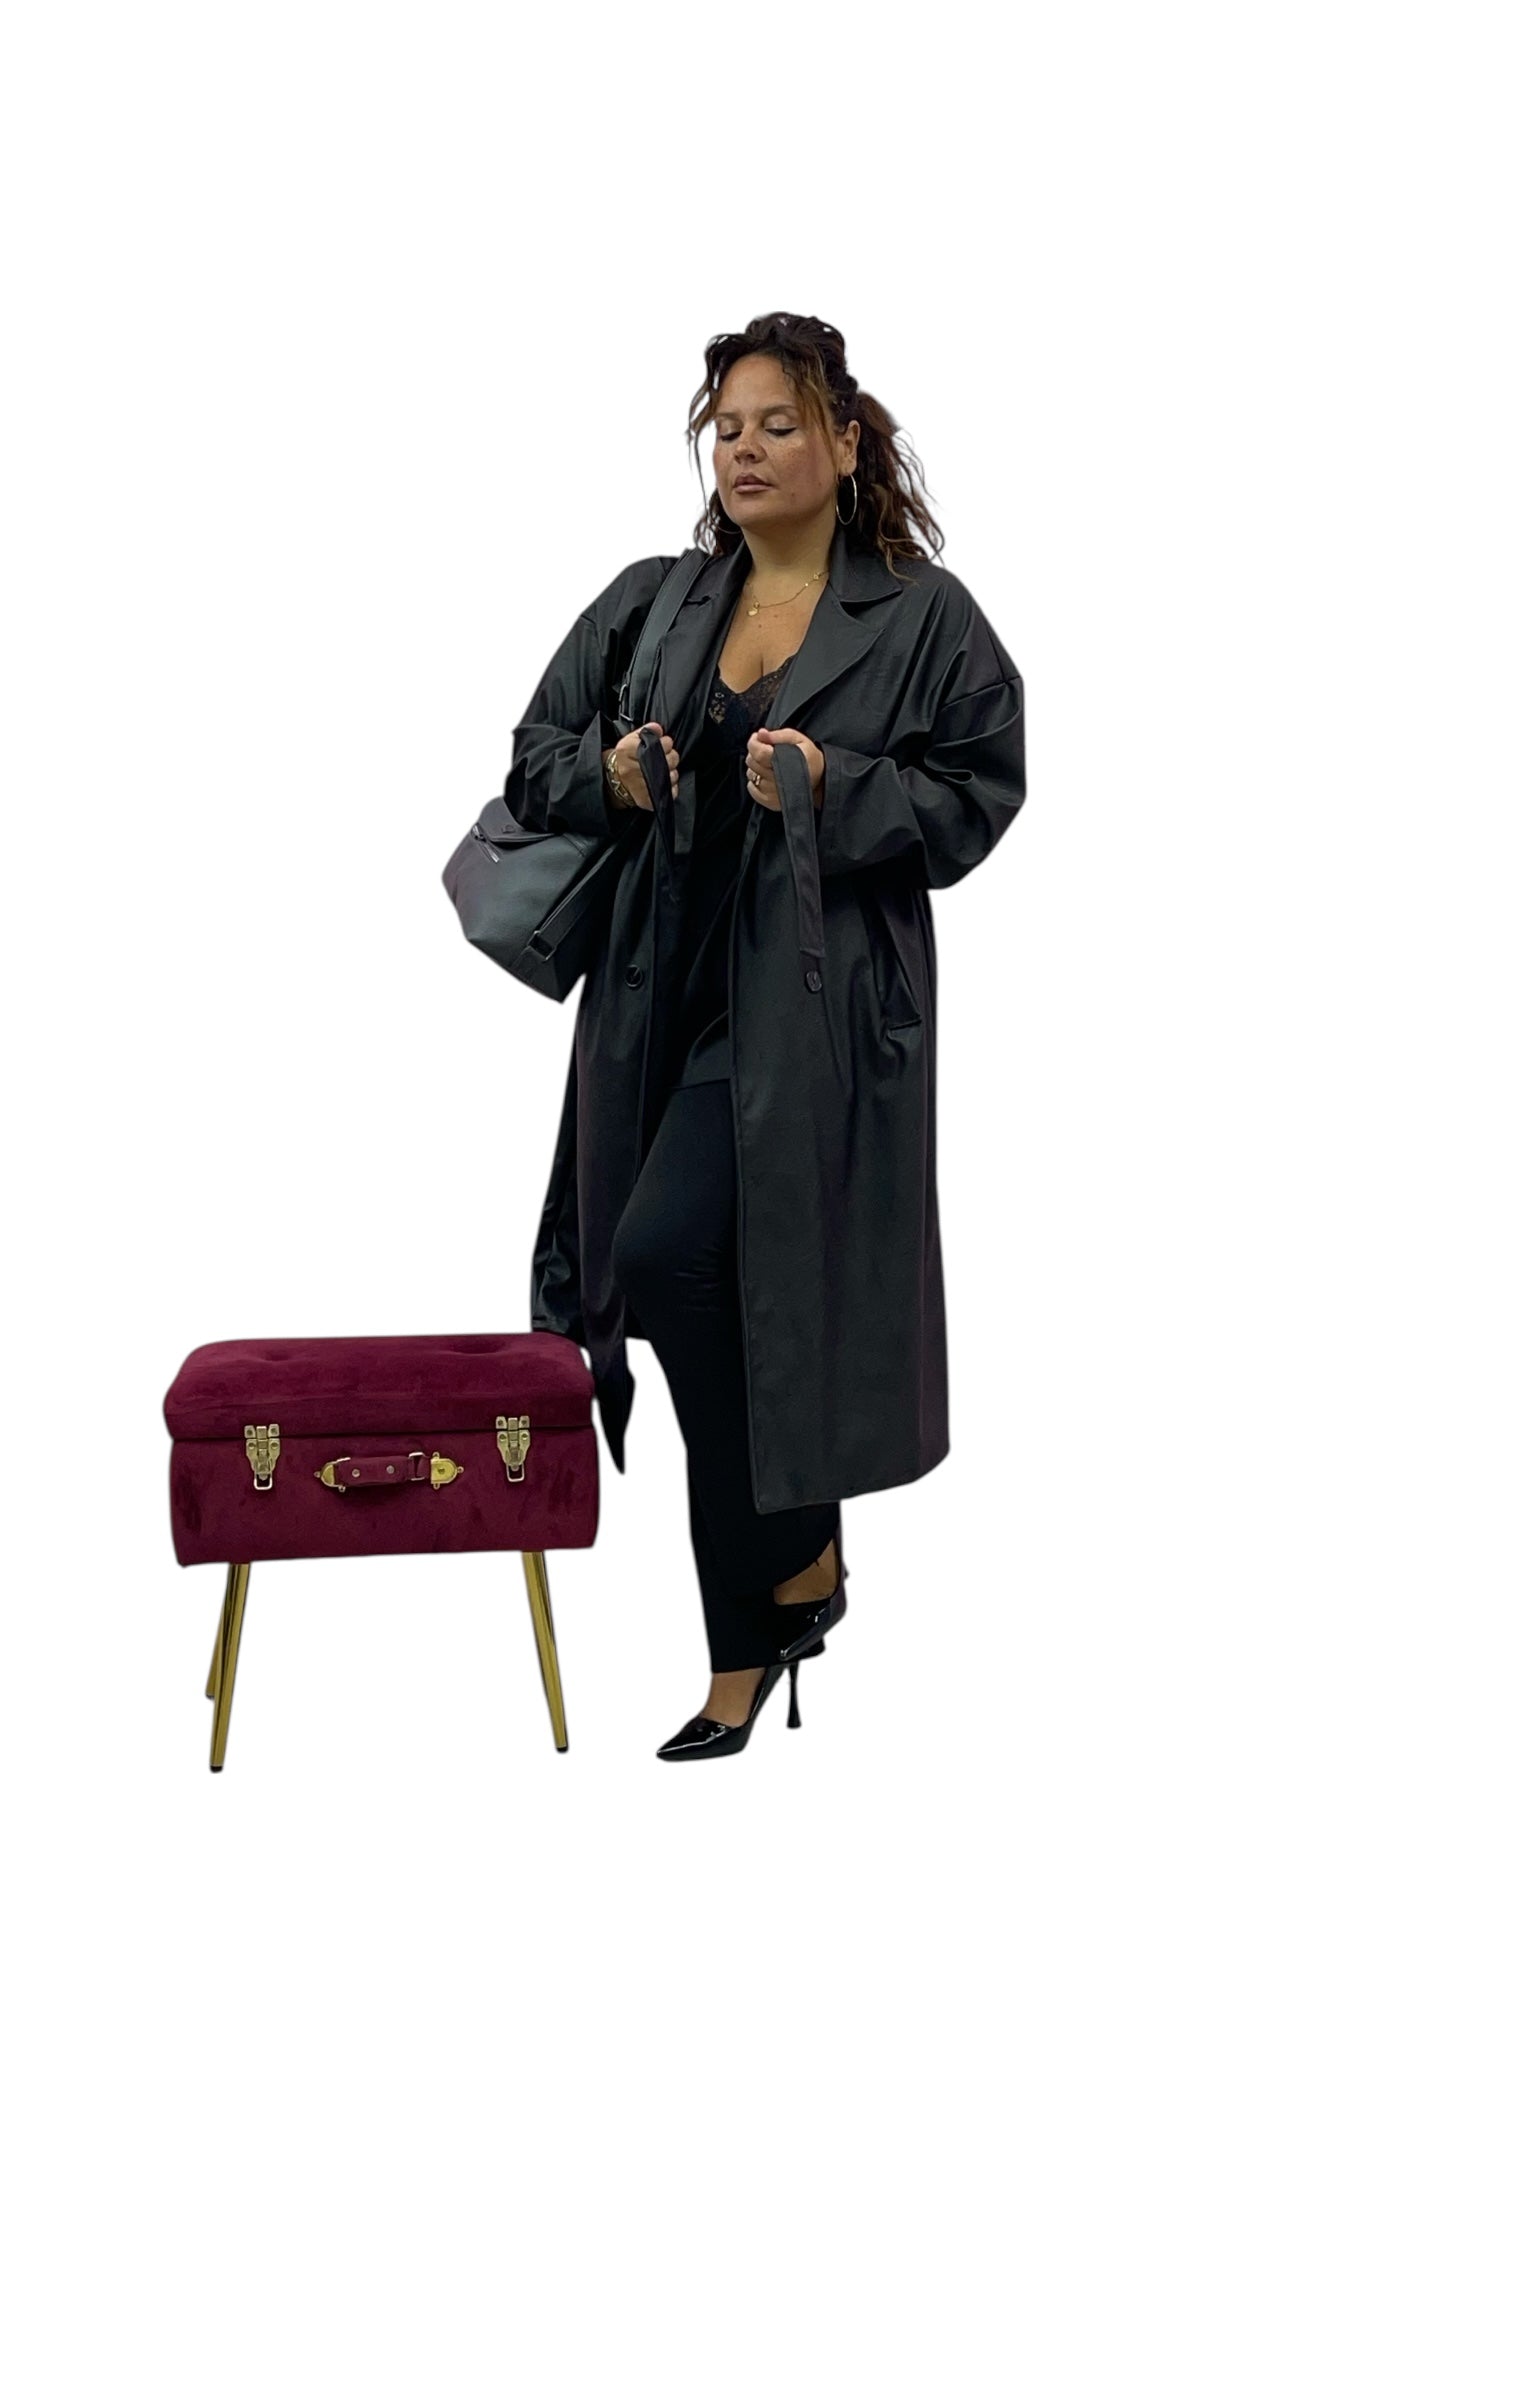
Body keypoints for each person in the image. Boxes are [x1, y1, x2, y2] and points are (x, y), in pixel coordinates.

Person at [506, 312, 1027, 1760]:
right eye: (725, 427)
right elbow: (535, 757)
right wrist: (612, 774)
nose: (743, 449)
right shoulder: (654, 601)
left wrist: (835, 787)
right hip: (653, 1003)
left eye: (778, 423)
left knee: (675, 1257)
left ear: (845, 445)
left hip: (810, 1014)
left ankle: (747, 1635)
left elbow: (979, 791)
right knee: (691, 1283)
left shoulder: (923, 617)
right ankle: (799, 1561)